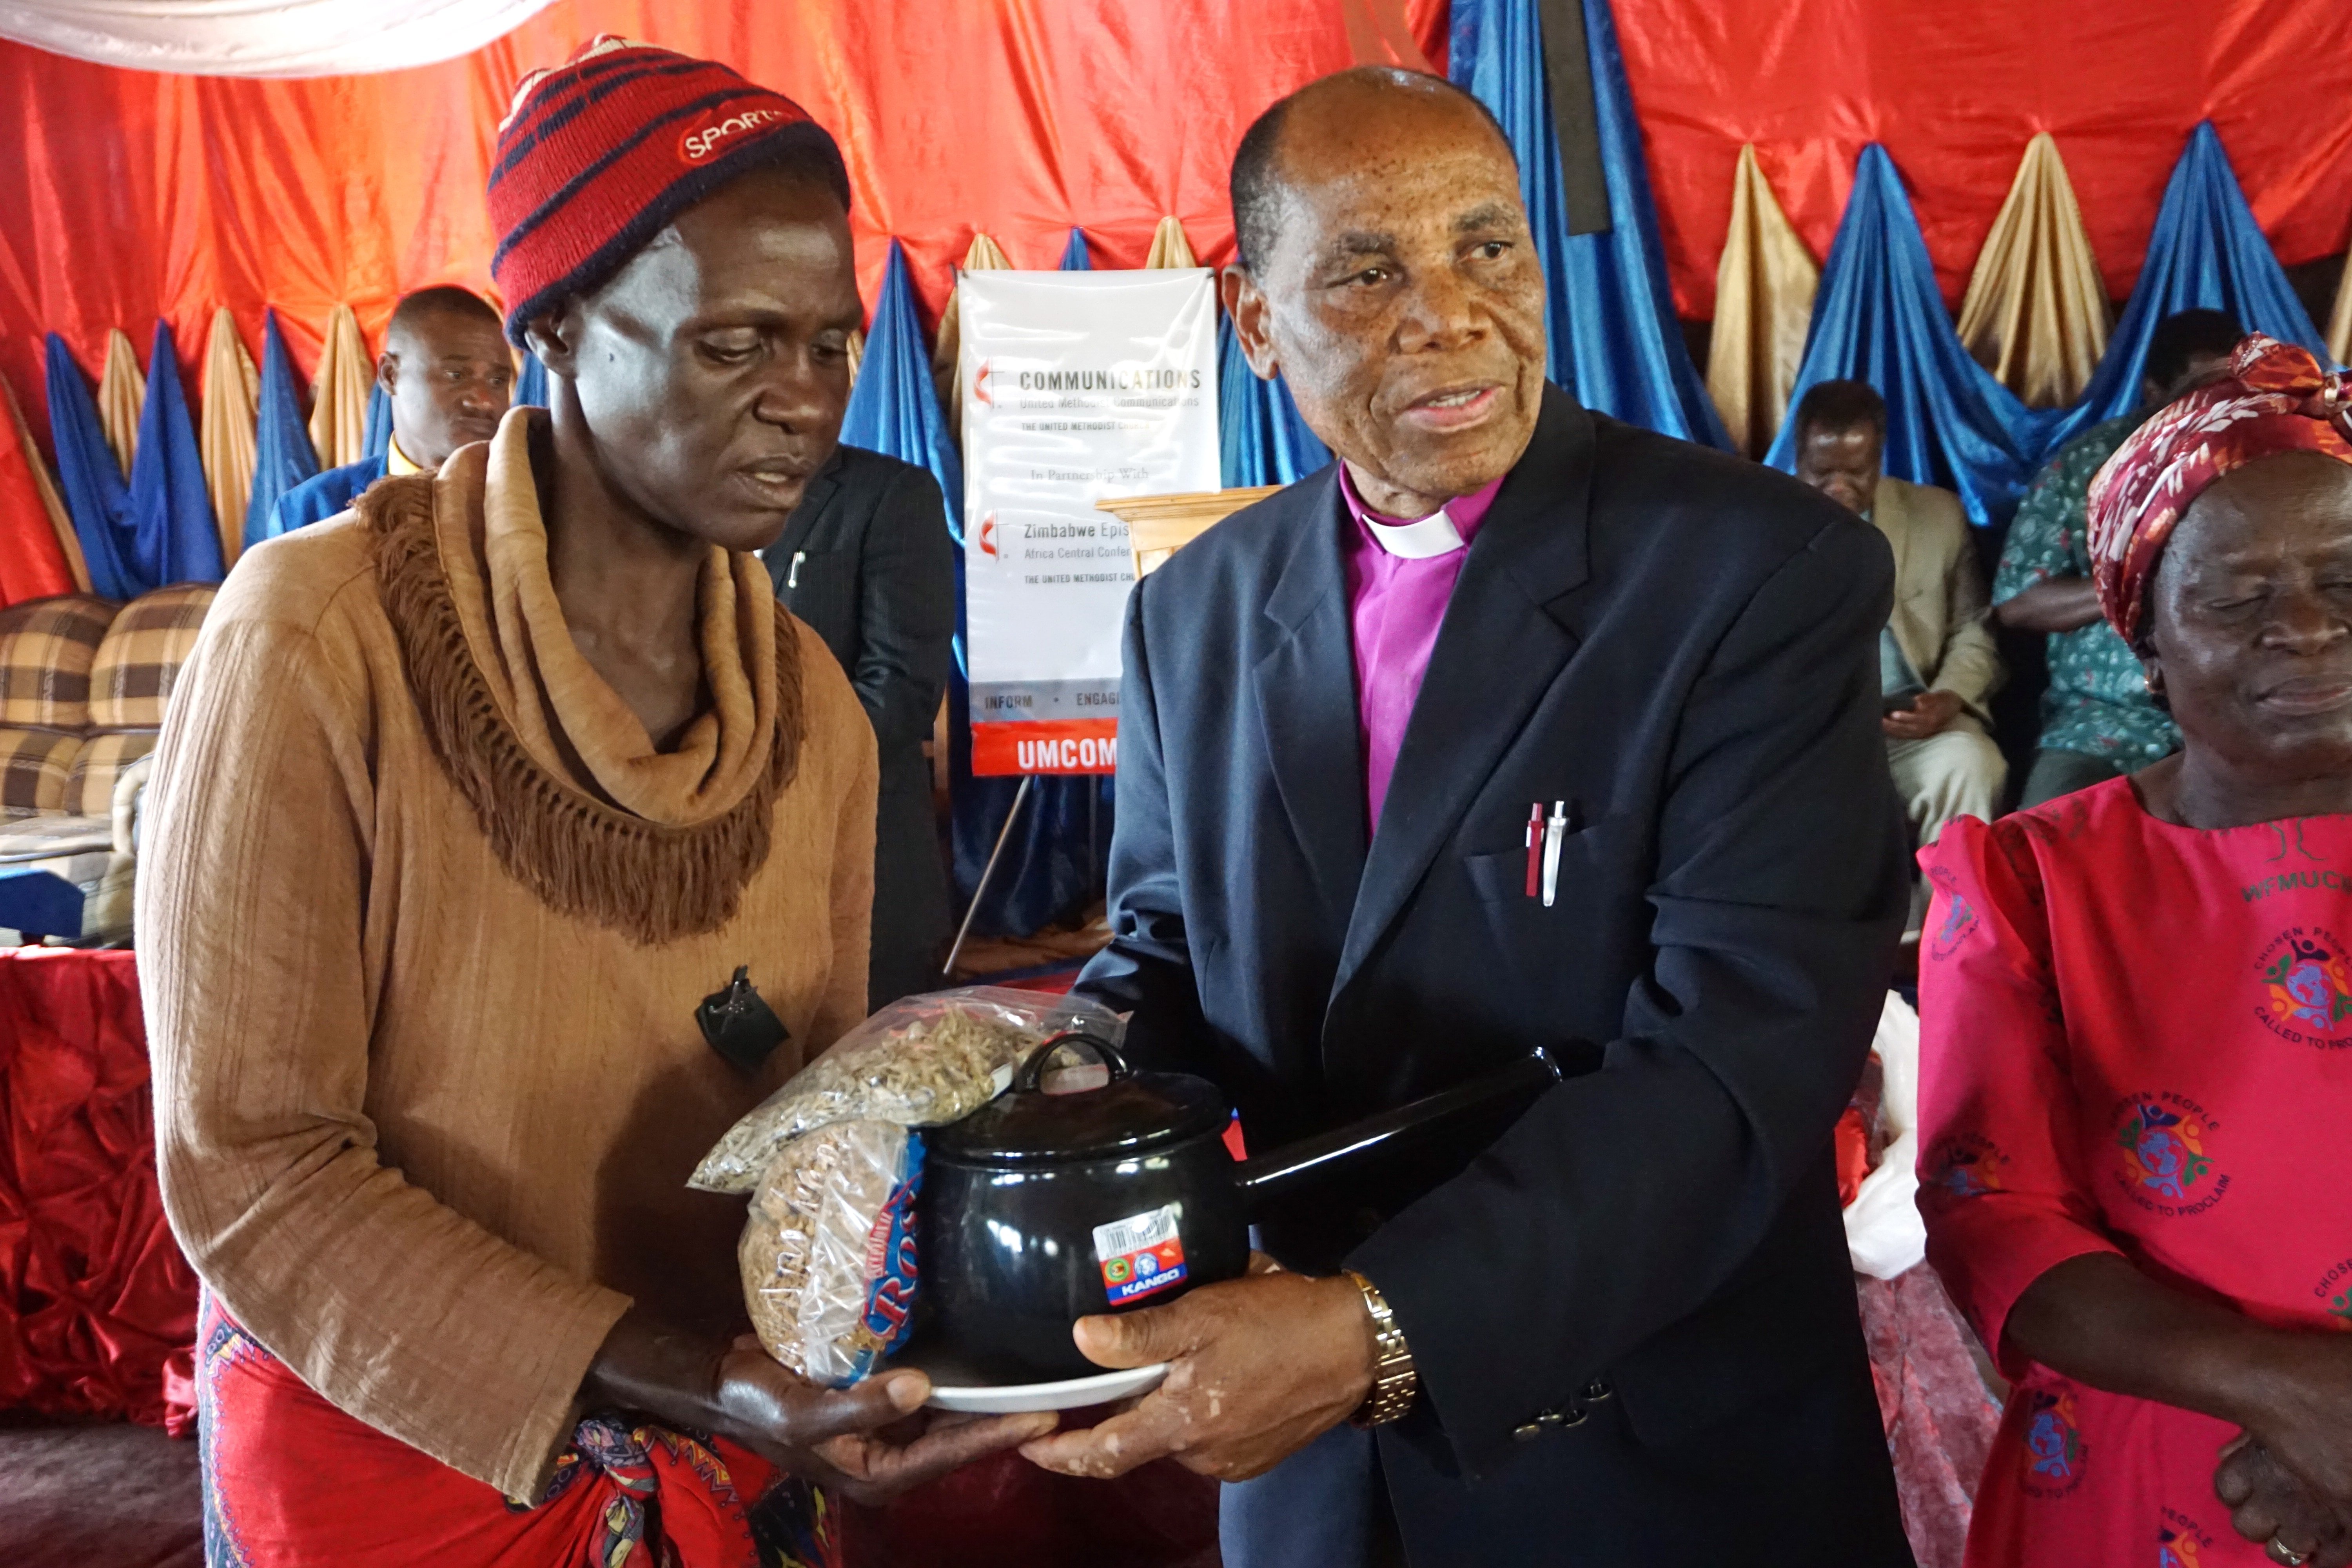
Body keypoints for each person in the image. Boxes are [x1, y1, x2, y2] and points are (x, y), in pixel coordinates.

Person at [142, 41, 1046, 1568]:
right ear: (552, 324)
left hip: (728, 1463)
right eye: (734, 344)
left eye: (830, 346)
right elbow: (255, 1171)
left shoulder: (809, 711)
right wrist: (687, 1376)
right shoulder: (317, 642)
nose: (801, 404)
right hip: (401, 1475)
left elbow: (812, 1129)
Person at [1027, 67, 1912, 1568]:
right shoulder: (1194, 612)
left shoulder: (1749, 573)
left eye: (1487, 248)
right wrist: (1057, 1074)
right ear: (1254, 325)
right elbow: (1165, 944)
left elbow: (1734, 1050)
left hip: (1642, 1442)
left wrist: (1380, 1325)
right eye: (1365, 272)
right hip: (1313, 1477)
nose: (1446, 315)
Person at [1918, 334, 2352, 1568]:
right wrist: (2288, 1394)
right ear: (2144, 641)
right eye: (2233, 599)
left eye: (2345, 578)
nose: (2306, 631)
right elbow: (1987, 1213)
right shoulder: (2029, 882)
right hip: (2156, 1483)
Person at [1991, 308, 2243, 806]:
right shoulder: (2085, 467)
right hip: (2106, 721)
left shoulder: (2264, 461)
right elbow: (2018, 602)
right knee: (2047, 842)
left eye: (2232, 392)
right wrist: (2135, 578)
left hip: (2238, 711)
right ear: (2154, 391)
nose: (2216, 408)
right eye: (2201, 392)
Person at [762, 444, 955, 1009]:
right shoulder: (672, 488)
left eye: (822, 353)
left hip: (858, 867)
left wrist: (758, 778)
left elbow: (898, 690)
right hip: (717, 886)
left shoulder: (890, 494)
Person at [1793, 379, 2006, 849]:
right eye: (1823, 471)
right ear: (1798, 457)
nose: (1840, 487)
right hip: (1804, 732)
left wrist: (1950, 697)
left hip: (1909, 722)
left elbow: (1973, 628)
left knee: (1971, 764)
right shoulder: (1760, 524)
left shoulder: (1937, 515)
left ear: (1880, 457)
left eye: (1857, 471)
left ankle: (1950, 924)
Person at [263, 285, 515, 537]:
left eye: (497, 381)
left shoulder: (535, 500)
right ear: (390, 375)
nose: (484, 401)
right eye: (456, 375)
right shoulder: (310, 514)